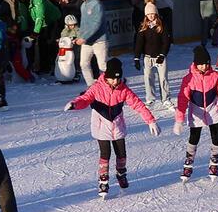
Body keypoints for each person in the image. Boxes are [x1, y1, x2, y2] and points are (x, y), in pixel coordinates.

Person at [65, 59, 157, 198]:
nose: (115, 81)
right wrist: (74, 104)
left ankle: (121, 174)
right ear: (106, 76)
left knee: (121, 153)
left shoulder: (124, 90)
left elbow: (138, 105)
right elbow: (85, 99)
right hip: (101, 126)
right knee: (105, 153)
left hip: (117, 125)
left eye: (117, 78)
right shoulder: (96, 88)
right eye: (112, 78)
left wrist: (150, 120)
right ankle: (103, 181)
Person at [174, 47, 218, 185]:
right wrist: (179, 119)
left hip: (213, 110)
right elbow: (182, 100)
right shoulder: (188, 79)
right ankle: (188, 163)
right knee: (194, 137)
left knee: (216, 135)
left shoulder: (215, 76)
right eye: (201, 64)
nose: (204, 66)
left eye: (207, 63)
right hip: (197, 113)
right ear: (195, 64)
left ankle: (214, 161)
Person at [134, 3, 172, 112]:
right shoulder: (143, 27)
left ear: (156, 14)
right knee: (148, 78)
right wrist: (136, 57)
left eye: (153, 14)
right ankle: (150, 99)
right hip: (147, 57)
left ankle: (166, 99)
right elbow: (139, 43)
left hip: (160, 57)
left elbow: (166, 42)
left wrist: (162, 54)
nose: (151, 16)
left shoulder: (161, 26)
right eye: (149, 14)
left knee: (163, 78)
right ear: (146, 15)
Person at [74, 0, 110, 82]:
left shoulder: (97, 4)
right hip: (87, 41)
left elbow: (96, 24)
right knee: (83, 64)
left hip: (99, 40)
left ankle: (111, 84)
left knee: (102, 65)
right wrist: (79, 36)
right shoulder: (83, 5)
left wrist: (84, 38)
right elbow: (84, 24)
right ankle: (91, 86)